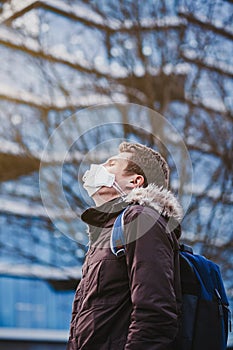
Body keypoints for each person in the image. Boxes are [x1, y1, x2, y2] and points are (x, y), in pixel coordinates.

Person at [67, 142, 183, 350]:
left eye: (111, 164)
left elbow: (155, 314)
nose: (98, 167)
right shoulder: (106, 233)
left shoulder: (140, 220)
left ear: (135, 181)